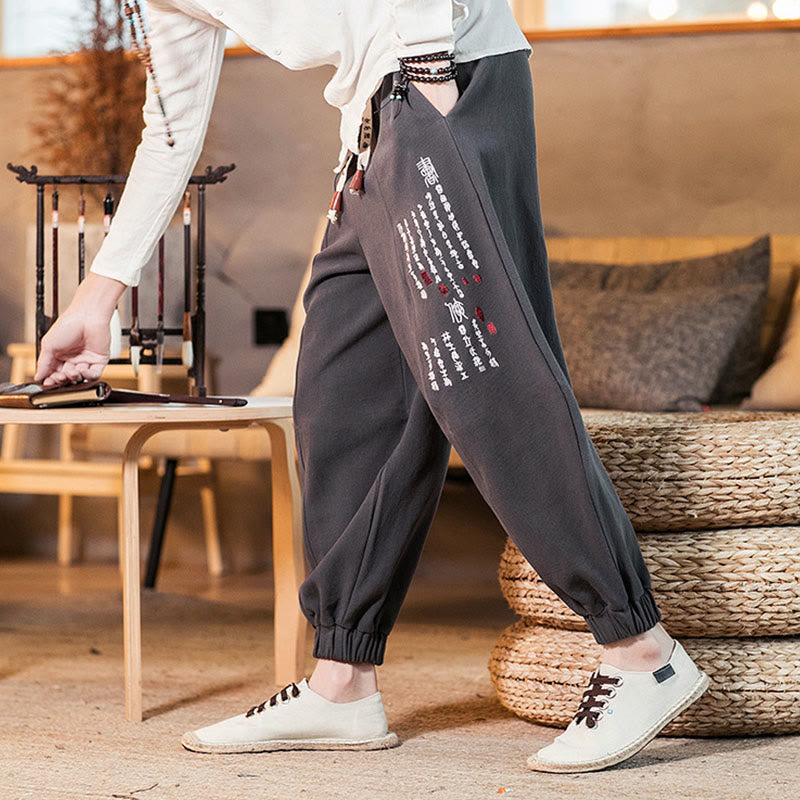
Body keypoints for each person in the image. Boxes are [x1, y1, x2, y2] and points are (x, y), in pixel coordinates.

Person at [35, 0, 710, 773]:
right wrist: (96, 299)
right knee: (343, 385)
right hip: (374, 121)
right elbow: (170, 129)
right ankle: (343, 681)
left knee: (482, 375)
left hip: (439, 81)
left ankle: (639, 649)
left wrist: (427, 71)